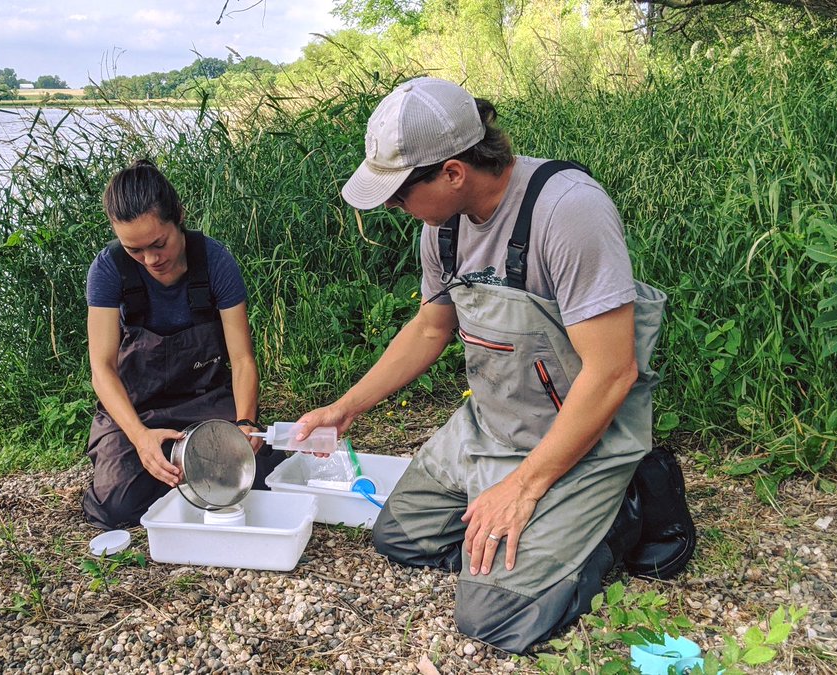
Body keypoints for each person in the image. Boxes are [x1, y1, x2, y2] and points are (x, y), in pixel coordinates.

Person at [295, 78, 694, 652]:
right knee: (402, 540)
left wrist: (523, 489)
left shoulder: (568, 211)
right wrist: (344, 408)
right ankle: (539, 516)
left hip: (581, 430)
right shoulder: (443, 226)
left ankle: (620, 511)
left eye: (399, 193)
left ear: (453, 172)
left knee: (495, 616)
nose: (391, 207)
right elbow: (432, 328)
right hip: (492, 423)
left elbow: (613, 372)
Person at [81, 159, 283, 530]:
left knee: (257, 479)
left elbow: (242, 359)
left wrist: (245, 423)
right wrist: (140, 439)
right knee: (115, 507)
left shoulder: (215, 262)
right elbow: (103, 369)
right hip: (136, 409)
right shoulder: (108, 268)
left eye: (159, 244)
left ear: (179, 217)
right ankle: (159, 470)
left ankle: (191, 476)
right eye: (135, 250)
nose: (151, 260)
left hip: (205, 400)